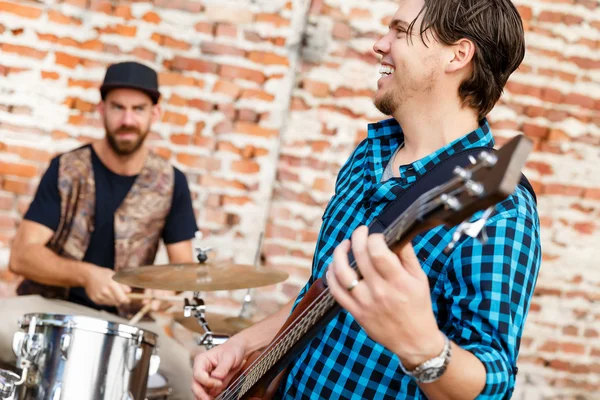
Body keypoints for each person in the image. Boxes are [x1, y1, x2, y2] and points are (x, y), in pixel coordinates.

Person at [191, 0, 542, 399]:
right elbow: (323, 293)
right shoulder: (367, 157)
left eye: (400, 32)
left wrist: (423, 347)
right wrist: (247, 342)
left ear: (457, 55)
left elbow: (492, 384)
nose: (380, 44)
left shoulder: (500, 210)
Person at [0, 61, 198, 400]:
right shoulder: (66, 168)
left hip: (133, 324)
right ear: (102, 109)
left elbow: (187, 273)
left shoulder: (172, 182)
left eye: (139, 109)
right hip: (49, 310)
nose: (127, 120)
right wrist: (86, 275)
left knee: (190, 380)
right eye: (118, 108)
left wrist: (166, 293)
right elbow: (22, 256)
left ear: (156, 114)